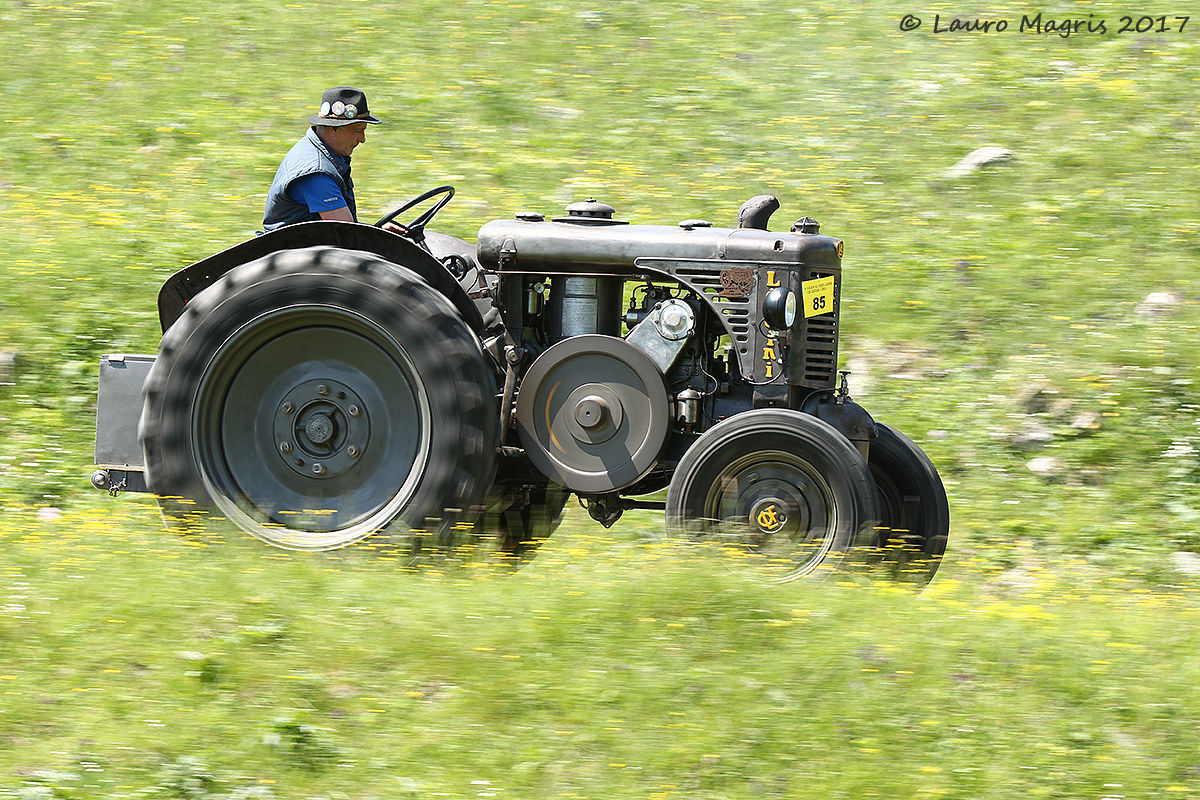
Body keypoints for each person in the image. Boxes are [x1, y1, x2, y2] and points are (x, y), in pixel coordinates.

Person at [263, 86, 401, 233]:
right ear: (333, 129)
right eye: (358, 131)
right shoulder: (316, 174)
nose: (363, 139)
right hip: (295, 249)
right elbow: (348, 233)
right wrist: (379, 234)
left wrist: (376, 230)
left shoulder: (317, 150)